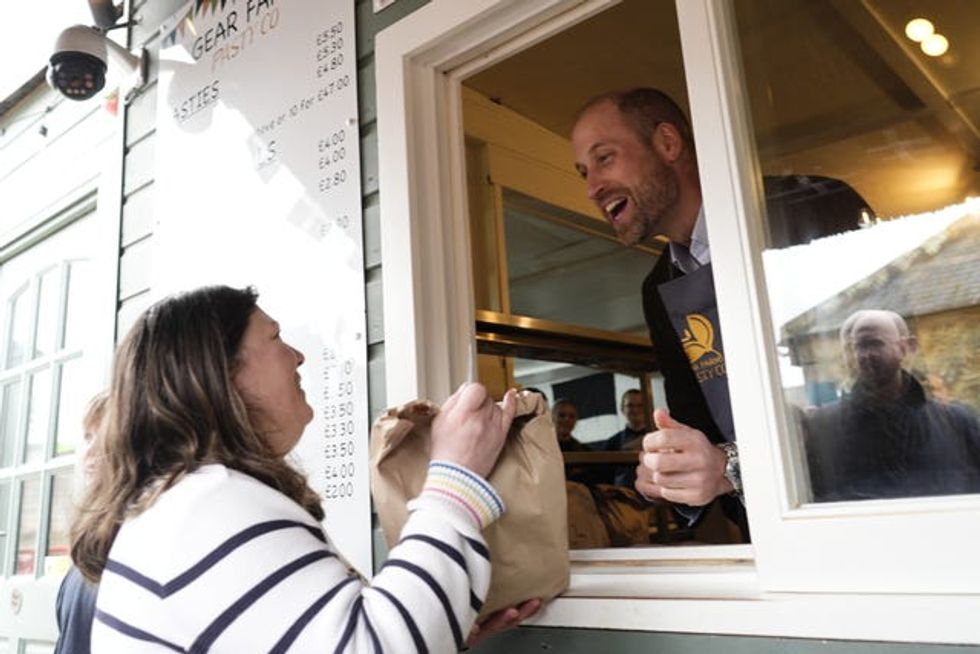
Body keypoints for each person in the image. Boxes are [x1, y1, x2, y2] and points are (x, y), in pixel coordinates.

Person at [70, 285, 538, 653]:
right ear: (222, 373)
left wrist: (435, 625)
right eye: (274, 338)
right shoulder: (208, 506)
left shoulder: (182, 503)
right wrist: (455, 478)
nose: (297, 356)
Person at [571, 88, 747, 539]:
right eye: (584, 173)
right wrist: (672, 473)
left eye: (605, 158)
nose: (592, 188)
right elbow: (701, 434)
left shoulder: (798, 209)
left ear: (668, 143)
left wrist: (731, 466)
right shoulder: (659, 287)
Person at [803, 309, 980, 501]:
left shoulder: (958, 423)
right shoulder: (821, 429)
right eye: (852, 348)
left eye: (874, 344)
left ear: (907, 347)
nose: (862, 356)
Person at [54, 392, 107, 654]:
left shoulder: (134, 538)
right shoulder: (85, 543)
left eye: (106, 435)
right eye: (88, 437)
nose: (91, 451)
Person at [598, 389, 648, 487]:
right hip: (624, 497)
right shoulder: (612, 443)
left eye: (640, 405)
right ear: (622, 409)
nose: (635, 410)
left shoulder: (658, 438)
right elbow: (605, 479)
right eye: (630, 405)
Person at [552, 398, 599, 486]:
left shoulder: (586, 453)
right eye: (561, 415)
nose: (566, 419)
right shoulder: (541, 449)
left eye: (571, 416)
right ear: (552, 418)